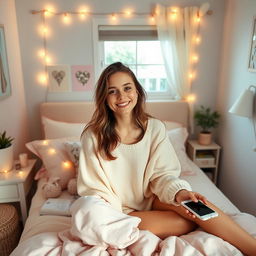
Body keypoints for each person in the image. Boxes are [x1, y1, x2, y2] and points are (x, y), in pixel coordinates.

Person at [78, 62, 256, 255]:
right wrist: (114, 214)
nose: (121, 96)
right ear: (104, 98)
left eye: (127, 88)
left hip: (153, 199)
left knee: (196, 207)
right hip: (120, 211)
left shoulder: (155, 128)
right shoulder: (93, 136)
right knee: (185, 221)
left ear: (137, 90)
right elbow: (94, 188)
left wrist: (179, 193)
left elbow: (163, 174)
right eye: (112, 91)